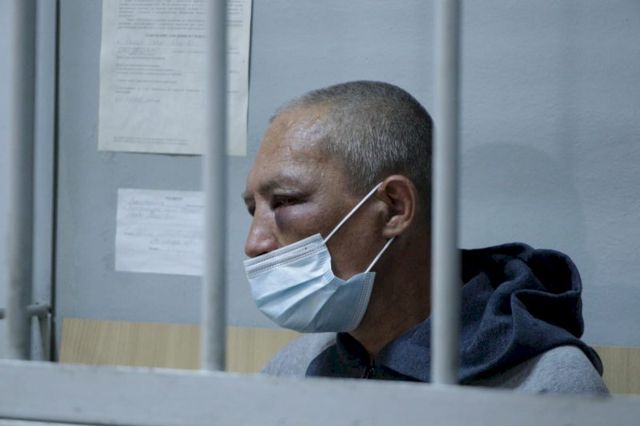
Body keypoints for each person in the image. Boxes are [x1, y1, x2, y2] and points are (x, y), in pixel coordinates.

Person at [241, 80, 608, 394]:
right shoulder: (296, 369)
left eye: (284, 201)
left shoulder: (545, 386)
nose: (254, 244)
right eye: (252, 208)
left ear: (395, 207)